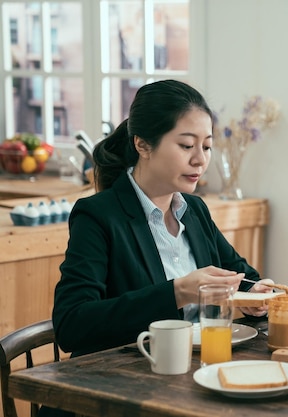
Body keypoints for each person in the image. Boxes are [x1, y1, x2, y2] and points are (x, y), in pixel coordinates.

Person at [52, 79, 273, 358]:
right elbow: (72, 324)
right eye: (186, 145)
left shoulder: (194, 210)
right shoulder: (98, 216)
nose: (200, 160)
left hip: (196, 369)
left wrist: (255, 294)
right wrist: (178, 292)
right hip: (127, 381)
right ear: (143, 145)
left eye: (206, 147)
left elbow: (241, 277)